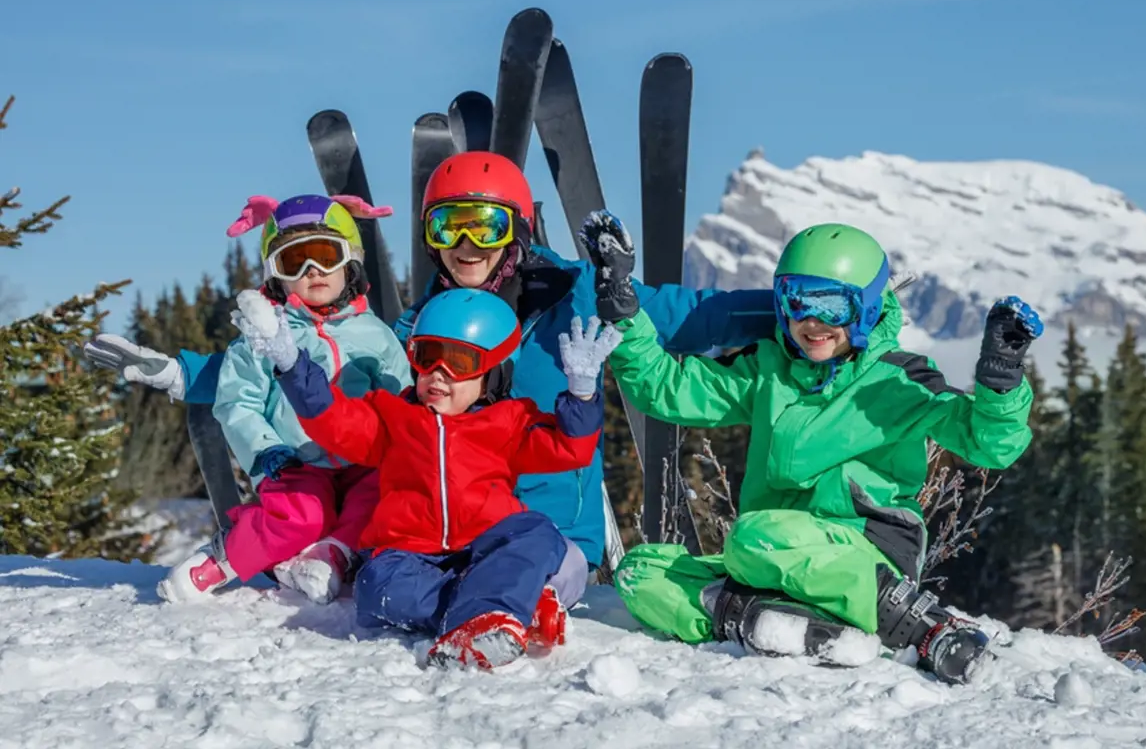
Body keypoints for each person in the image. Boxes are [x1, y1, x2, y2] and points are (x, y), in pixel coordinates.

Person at [86, 152, 776, 604]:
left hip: (546, 534)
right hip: (443, 535)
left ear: (518, 229)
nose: (467, 247)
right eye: (450, 228)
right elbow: (328, 366)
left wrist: (804, 311)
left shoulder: (583, 299)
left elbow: (700, 317)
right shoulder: (422, 329)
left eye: (484, 226)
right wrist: (184, 373)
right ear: (431, 236)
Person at [580, 214, 1042, 684]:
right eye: (796, 302)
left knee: (753, 535)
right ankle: (773, 622)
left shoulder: (898, 380)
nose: (813, 322)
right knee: (641, 572)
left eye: (833, 307)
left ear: (865, 308)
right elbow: (670, 389)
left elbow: (988, 445)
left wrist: (1000, 388)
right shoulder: (771, 370)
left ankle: (920, 624)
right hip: (773, 557)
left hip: (862, 553)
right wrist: (625, 315)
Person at [231, 284, 618, 669]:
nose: (438, 374)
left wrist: (582, 396)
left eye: (459, 363)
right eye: (427, 356)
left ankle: (492, 610)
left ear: (495, 374)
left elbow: (572, 446)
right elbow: (333, 420)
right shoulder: (393, 418)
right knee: (375, 588)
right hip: (407, 555)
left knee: (542, 537)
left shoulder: (510, 422)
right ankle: (505, 609)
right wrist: (291, 364)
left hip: (485, 548)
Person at [157, 194, 411, 604]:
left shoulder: (374, 334)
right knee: (303, 513)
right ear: (276, 275)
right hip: (295, 460)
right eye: (295, 262)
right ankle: (222, 560)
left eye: (325, 256)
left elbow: (401, 393)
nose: (313, 272)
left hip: (362, 458)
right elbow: (237, 401)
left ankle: (331, 555)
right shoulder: (264, 336)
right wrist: (265, 451)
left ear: (351, 261)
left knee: (381, 497)